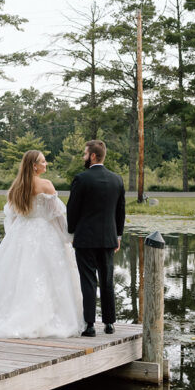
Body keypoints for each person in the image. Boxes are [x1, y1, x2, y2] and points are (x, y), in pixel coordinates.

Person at [0, 149, 83, 338]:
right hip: (44, 233)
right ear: (34, 166)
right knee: (46, 274)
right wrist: (69, 237)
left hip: (21, 232)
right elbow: (57, 217)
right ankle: (44, 317)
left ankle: (9, 313)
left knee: (17, 276)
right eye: (43, 161)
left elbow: (11, 217)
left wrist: (14, 238)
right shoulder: (46, 185)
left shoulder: (16, 187)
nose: (46, 164)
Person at [66, 139, 125, 337]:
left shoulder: (81, 179)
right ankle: (109, 324)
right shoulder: (117, 179)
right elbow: (120, 211)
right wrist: (118, 236)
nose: (83, 157)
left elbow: (72, 209)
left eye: (85, 154)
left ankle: (90, 325)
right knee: (107, 280)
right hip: (108, 238)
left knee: (88, 281)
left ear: (92, 156)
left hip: (85, 238)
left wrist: (72, 232)